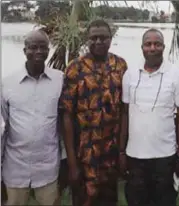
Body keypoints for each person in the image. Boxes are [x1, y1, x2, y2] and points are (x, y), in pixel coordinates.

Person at [59, 19, 128, 206]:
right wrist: (72, 163)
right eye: (94, 38)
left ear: (111, 39)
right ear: (87, 39)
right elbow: (66, 115)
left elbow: (124, 111)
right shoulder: (75, 68)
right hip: (84, 155)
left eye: (103, 38)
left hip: (110, 156)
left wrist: (122, 151)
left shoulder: (120, 66)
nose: (98, 42)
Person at [120, 28, 179, 206]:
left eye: (157, 44)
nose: (152, 48)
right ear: (142, 48)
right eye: (148, 44)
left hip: (165, 157)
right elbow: (125, 115)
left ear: (163, 47)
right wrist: (121, 151)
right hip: (135, 156)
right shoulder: (130, 75)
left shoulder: (176, 75)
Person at [1, 30, 63, 205]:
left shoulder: (59, 80)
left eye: (43, 47)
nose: (38, 52)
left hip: (48, 168)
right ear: (24, 50)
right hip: (15, 168)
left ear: (48, 50)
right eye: (33, 47)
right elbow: (2, 128)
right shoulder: (7, 84)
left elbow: (63, 123)